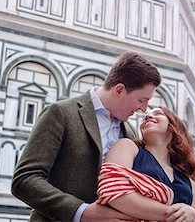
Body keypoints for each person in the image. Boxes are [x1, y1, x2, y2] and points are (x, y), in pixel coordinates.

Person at [12, 51, 161, 222]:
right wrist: (81, 212)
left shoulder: (130, 132)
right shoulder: (61, 113)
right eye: (141, 100)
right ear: (119, 89)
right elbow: (24, 180)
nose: (143, 109)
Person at [97, 106, 195, 222]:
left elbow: (194, 216)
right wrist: (177, 215)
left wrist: (192, 215)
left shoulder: (190, 184)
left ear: (173, 127)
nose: (148, 116)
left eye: (158, 114)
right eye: (145, 117)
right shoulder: (128, 148)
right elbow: (112, 190)